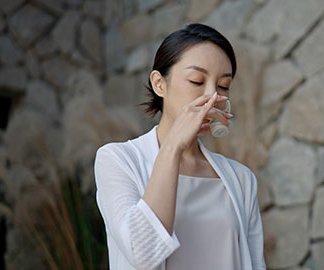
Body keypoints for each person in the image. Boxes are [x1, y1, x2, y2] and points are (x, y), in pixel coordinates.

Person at [94, 23, 266, 270]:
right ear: (159, 84)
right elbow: (143, 254)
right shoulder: (118, 160)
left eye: (223, 86)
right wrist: (173, 146)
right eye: (197, 80)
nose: (212, 96)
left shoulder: (241, 179)